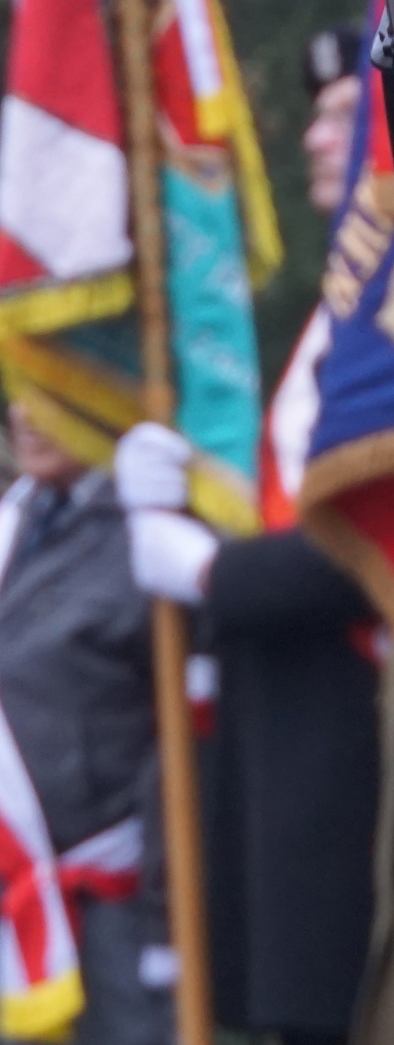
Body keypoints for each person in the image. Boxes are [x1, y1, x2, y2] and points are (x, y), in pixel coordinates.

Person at [116, 26, 379, 1045]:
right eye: (317, 116)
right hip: (287, 768)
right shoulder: (340, 312)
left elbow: (383, 544)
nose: (314, 136)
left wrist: (209, 571)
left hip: (368, 768)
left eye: (345, 116)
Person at [0, 403, 173, 1045]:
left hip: (118, 911)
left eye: (50, 389)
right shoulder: (14, 519)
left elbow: (188, 739)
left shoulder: (153, 526)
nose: (26, 414)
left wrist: (168, 920)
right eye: (20, 389)